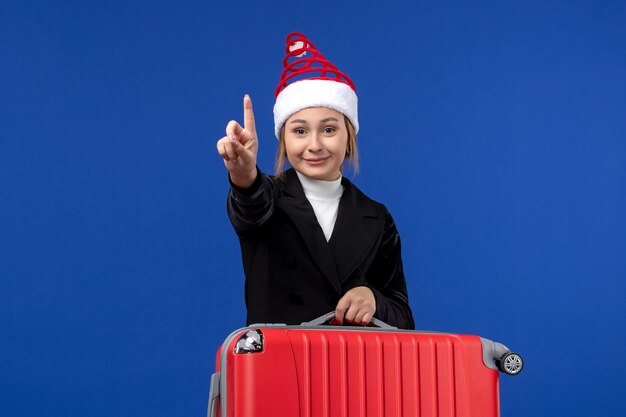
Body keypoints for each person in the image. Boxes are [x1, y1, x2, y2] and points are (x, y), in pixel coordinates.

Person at [216, 33, 415, 329]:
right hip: (278, 365)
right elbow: (250, 205)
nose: (314, 144)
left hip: (352, 369)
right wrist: (244, 174)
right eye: (299, 131)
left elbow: (403, 317)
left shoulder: (377, 217)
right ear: (283, 139)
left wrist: (373, 299)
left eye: (329, 130)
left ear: (349, 137)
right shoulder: (268, 198)